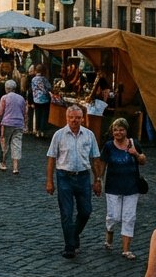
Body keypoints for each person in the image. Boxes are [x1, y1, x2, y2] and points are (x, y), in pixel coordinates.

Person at [46, 104, 103, 258]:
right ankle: (69, 246)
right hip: (64, 176)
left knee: (86, 211)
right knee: (66, 213)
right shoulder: (59, 135)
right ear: (67, 118)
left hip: (84, 176)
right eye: (71, 118)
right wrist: (49, 181)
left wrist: (98, 179)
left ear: (82, 118)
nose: (74, 120)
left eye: (78, 118)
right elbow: (51, 158)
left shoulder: (89, 135)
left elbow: (95, 159)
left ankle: (74, 234)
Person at [102, 118, 147, 259]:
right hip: (113, 186)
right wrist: (98, 179)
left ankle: (126, 249)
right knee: (113, 216)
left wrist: (135, 154)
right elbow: (102, 163)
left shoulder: (133, 143)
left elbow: (143, 160)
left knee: (129, 217)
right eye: (115, 130)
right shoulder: (109, 146)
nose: (118, 132)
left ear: (126, 131)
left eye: (121, 129)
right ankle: (109, 233)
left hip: (131, 186)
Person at [0, 79, 28, 173]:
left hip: (7, 123)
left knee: (4, 144)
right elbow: (25, 113)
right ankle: (15, 168)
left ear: (6, 88)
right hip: (19, 123)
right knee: (17, 144)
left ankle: (3, 164)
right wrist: (25, 125)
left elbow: (0, 113)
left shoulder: (4, 98)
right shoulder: (21, 98)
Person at [29, 64, 51, 137]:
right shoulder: (44, 79)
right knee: (44, 115)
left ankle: (37, 131)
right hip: (44, 99)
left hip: (36, 99)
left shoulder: (33, 79)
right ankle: (43, 131)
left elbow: (32, 89)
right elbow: (49, 87)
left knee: (38, 115)